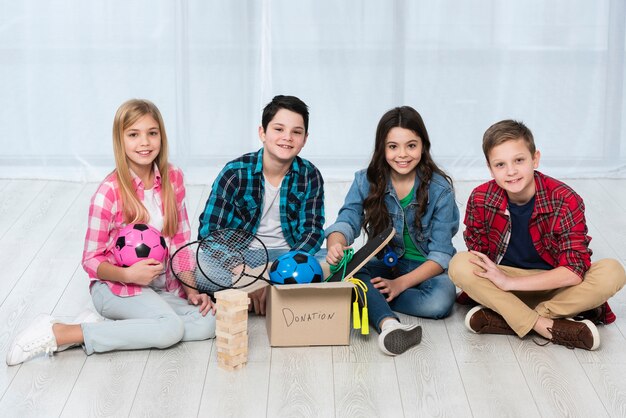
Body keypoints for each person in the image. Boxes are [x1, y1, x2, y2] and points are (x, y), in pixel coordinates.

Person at [6, 99, 216, 366]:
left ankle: (109, 327)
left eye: (152, 133)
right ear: (120, 139)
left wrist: (191, 288)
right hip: (116, 287)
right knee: (169, 330)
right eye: (133, 134)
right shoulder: (108, 193)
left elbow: (180, 242)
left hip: (161, 288)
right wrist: (128, 274)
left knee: (208, 322)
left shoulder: (173, 177)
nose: (145, 142)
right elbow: (91, 260)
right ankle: (64, 332)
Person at [449, 119, 626, 351]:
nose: (511, 171)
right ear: (490, 168)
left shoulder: (564, 198)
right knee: (460, 264)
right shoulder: (481, 198)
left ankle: (509, 318)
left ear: (535, 159)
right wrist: (504, 281)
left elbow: (573, 271)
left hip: (555, 285)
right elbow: (480, 259)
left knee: (613, 271)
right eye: (500, 164)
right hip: (504, 285)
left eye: (519, 160)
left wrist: (510, 282)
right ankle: (547, 324)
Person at [325, 106, 459, 356]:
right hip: (385, 264)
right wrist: (336, 242)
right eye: (393, 146)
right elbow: (348, 219)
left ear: (423, 146)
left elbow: (441, 255)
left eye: (411, 145)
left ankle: (365, 298)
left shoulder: (440, 190)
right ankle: (389, 324)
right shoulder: (365, 180)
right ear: (382, 148)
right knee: (338, 265)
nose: (402, 155)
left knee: (440, 302)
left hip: (424, 270)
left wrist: (399, 284)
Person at [198, 95, 324, 314]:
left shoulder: (310, 175)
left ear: (304, 139)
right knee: (201, 267)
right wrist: (241, 270)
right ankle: (278, 295)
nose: (287, 138)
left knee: (335, 264)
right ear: (262, 133)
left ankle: (250, 294)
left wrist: (284, 268)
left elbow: (312, 231)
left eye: (296, 132)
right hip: (243, 256)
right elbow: (209, 233)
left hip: (287, 256)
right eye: (279, 129)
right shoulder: (234, 173)